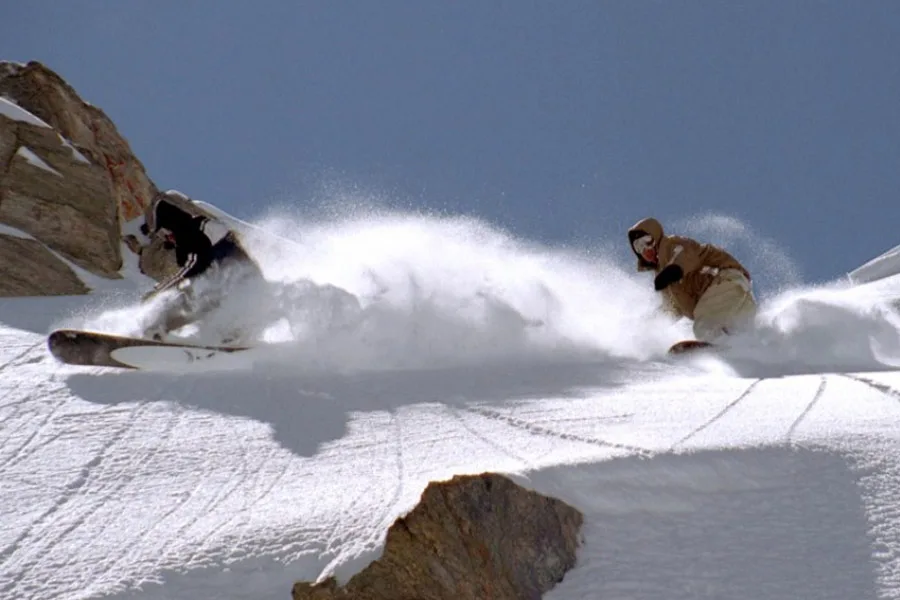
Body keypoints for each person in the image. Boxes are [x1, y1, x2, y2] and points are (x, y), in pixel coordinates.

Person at [138, 192, 266, 344]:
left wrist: (159, 290)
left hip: (239, 284)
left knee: (194, 301)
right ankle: (161, 333)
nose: (163, 237)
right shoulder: (191, 232)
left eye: (161, 232)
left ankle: (230, 337)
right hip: (232, 283)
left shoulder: (190, 234)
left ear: (168, 225)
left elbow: (194, 264)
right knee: (196, 302)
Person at [627, 217, 757, 343]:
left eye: (647, 241)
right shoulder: (666, 280)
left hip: (726, 280)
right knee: (735, 332)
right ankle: (741, 347)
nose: (645, 250)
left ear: (655, 237)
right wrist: (646, 327)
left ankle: (720, 344)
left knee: (704, 326)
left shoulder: (673, 245)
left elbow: (684, 257)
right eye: (638, 247)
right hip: (735, 298)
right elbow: (672, 308)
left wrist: (674, 270)